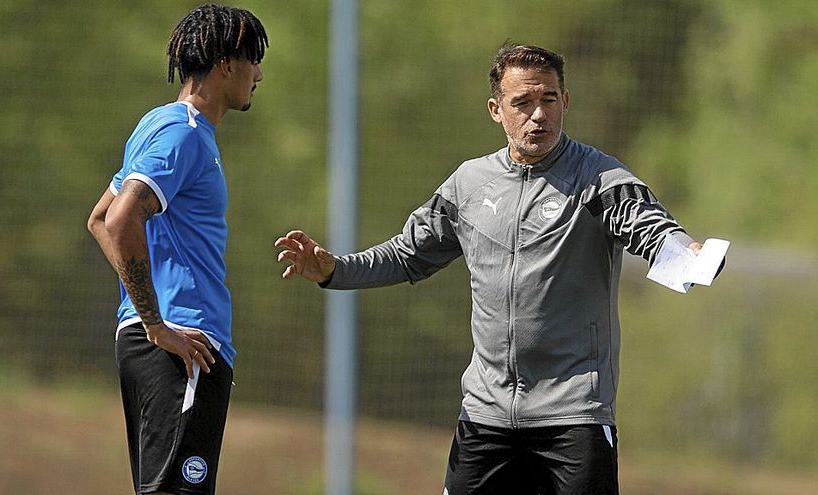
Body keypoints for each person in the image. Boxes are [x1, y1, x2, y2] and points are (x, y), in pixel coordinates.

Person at [274, 44, 714, 494]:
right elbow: (409, 254)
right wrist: (334, 269)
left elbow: (649, 227)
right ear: (496, 110)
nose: (537, 115)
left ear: (565, 101)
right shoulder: (468, 184)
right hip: (485, 417)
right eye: (522, 103)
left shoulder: (599, 179)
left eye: (547, 99)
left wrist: (684, 252)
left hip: (573, 418)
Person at [86, 5, 267, 494]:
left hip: (160, 342)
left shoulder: (160, 124)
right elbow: (119, 220)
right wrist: (157, 323)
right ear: (226, 64)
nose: (259, 74)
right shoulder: (183, 133)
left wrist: (147, 320)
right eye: (253, 60)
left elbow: (100, 219)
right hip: (184, 345)